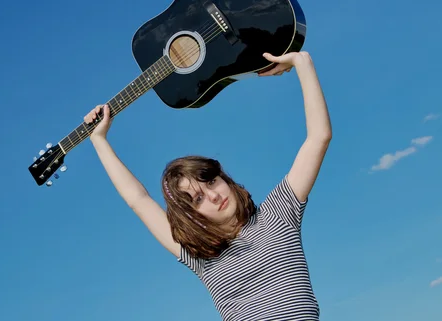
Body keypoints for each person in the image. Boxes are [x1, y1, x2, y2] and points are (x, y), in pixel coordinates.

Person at [85, 50, 332, 321]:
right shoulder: (199, 255)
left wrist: (302, 62)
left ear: (225, 179)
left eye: (212, 181)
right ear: (192, 215)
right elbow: (139, 200)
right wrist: (99, 140)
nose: (214, 197)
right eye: (197, 199)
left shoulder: (277, 214)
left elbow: (318, 137)